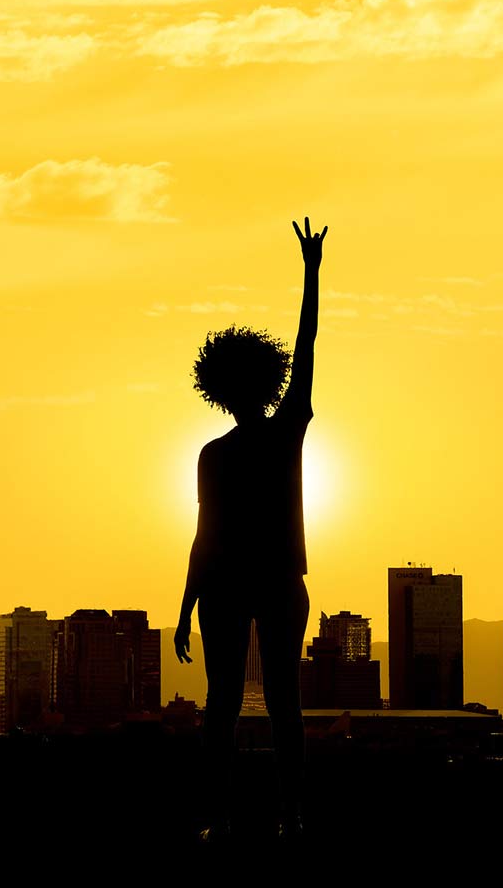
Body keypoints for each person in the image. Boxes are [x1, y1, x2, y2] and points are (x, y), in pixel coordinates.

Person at [174, 217, 327, 843]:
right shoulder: (264, 435)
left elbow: (203, 538)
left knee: (232, 708)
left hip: (244, 586)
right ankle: (272, 817)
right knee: (259, 707)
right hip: (259, 584)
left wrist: (310, 275)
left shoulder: (229, 448)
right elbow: (204, 536)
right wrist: (184, 608)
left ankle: (240, 818)